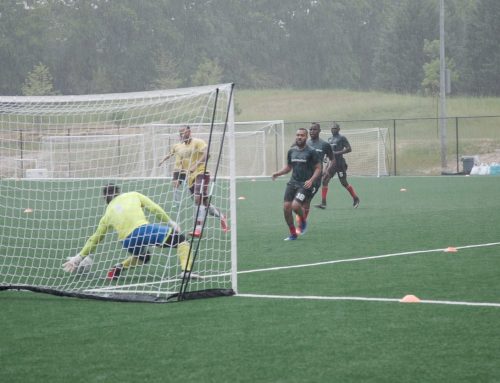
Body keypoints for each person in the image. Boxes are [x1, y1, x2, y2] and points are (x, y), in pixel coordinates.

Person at [62, 184, 199, 280]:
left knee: (143, 257)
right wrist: (171, 222)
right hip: (143, 230)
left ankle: (119, 267)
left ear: (105, 198)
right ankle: (186, 272)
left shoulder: (107, 214)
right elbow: (154, 208)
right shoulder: (133, 195)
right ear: (119, 192)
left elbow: (95, 239)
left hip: (127, 242)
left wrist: (78, 258)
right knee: (181, 240)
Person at [158, 125, 228, 237]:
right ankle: (222, 217)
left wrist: (195, 165)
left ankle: (198, 229)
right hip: (189, 177)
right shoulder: (179, 147)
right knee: (204, 204)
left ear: (189, 132)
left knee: (197, 198)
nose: (181, 135)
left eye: (184, 132)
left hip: (202, 173)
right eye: (180, 133)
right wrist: (165, 162)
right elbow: (175, 157)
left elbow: (207, 154)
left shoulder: (198, 142)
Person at [272, 127, 322, 241]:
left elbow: (318, 168)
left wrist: (311, 180)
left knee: (295, 205)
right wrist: (277, 173)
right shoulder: (291, 151)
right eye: (298, 135)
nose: (299, 137)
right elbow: (289, 167)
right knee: (286, 208)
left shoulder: (311, 151)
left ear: (306, 137)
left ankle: (303, 221)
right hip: (292, 183)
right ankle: (293, 234)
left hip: (305, 184)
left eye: (302, 135)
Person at [295, 122, 334, 232]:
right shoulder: (305, 143)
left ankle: (301, 226)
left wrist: (327, 170)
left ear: (319, 131)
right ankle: (301, 221)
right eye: (311, 129)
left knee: (306, 201)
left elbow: (332, 159)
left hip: (315, 178)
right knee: (299, 202)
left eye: (314, 129)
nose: (312, 131)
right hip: (302, 177)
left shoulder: (324, 145)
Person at [317, 122, 360, 208]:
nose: (333, 130)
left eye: (335, 128)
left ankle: (355, 198)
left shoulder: (342, 138)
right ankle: (323, 202)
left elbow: (349, 149)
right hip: (331, 164)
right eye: (332, 128)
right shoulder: (329, 139)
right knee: (325, 180)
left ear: (339, 129)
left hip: (340, 163)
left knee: (344, 183)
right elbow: (329, 151)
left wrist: (337, 153)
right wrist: (326, 156)